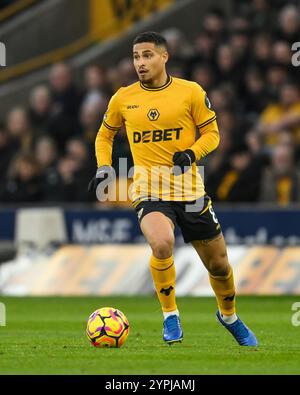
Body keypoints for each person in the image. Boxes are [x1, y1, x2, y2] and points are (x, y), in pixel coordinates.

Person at [88, 31, 258, 346]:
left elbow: (213, 133)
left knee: (219, 265)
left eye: (147, 55)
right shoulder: (123, 98)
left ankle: (229, 315)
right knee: (162, 243)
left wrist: (192, 154)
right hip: (149, 190)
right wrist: (104, 167)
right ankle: (170, 315)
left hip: (190, 193)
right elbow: (104, 135)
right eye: (136, 56)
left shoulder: (190, 92)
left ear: (165, 57)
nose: (140, 63)